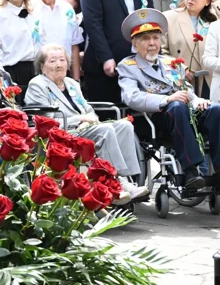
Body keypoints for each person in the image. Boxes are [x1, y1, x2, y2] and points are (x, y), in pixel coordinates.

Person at [25, 44, 148, 202]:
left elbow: (88, 109)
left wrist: (90, 119)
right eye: (52, 61)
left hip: (84, 129)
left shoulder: (72, 84)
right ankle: (114, 182)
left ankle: (125, 178)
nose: (59, 65)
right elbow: (47, 122)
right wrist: (80, 120)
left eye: (62, 60)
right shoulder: (38, 85)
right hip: (62, 134)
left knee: (124, 126)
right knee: (105, 130)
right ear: (42, 66)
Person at [118, 8, 220, 190]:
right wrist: (166, 99)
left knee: (215, 110)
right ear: (134, 43)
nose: (152, 43)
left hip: (183, 111)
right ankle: (190, 170)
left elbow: (185, 89)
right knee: (177, 107)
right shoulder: (128, 66)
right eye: (146, 39)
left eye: (155, 38)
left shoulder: (170, 62)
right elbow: (131, 97)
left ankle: (219, 170)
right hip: (156, 118)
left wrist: (197, 101)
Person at [162, 0, 217, 97]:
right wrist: (181, 68)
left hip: (210, 80)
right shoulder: (169, 18)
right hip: (182, 82)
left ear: (207, 1)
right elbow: (161, 52)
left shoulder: (213, 21)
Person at [31, 0, 83, 78]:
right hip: (36, 73)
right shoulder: (28, 8)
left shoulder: (67, 9)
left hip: (65, 73)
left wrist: (76, 80)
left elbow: (74, 46)